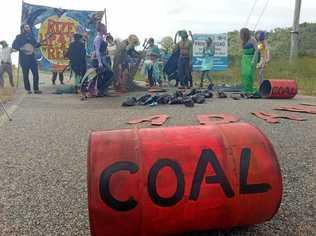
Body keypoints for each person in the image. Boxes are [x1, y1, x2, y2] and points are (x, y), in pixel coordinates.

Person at [12, 24, 42, 94]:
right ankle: (28, 89)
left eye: (28, 27)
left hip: (32, 58)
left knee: (35, 73)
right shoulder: (18, 37)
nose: (28, 28)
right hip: (24, 59)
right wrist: (22, 48)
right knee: (25, 75)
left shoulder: (31, 37)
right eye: (26, 27)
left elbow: (36, 45)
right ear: (23, 29)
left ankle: (36, 89)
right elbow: (14, 46)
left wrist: (40, 43)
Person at [93, 22, 113, 96]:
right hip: (99, 58)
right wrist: (100, 62)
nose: (106, 29)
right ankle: (100, 90)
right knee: (108, 73)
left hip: (103, 58)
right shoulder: (98, 38)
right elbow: (97, 51)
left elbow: (110, 43)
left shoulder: (102, 37)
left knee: (106, 74)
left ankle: (101, 90)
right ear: (102, 29)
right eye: (105, 28)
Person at [240, 28, 258, 94]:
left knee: (249, 74)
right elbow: (243, 50)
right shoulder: (243, 40)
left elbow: (256, 50)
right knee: (244, 74)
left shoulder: (252, 39)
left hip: (251, 57)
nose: (241, 35)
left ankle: (249, 89)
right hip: (245, 58)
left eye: (242, 34)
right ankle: (245, 89)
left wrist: (253, 60)